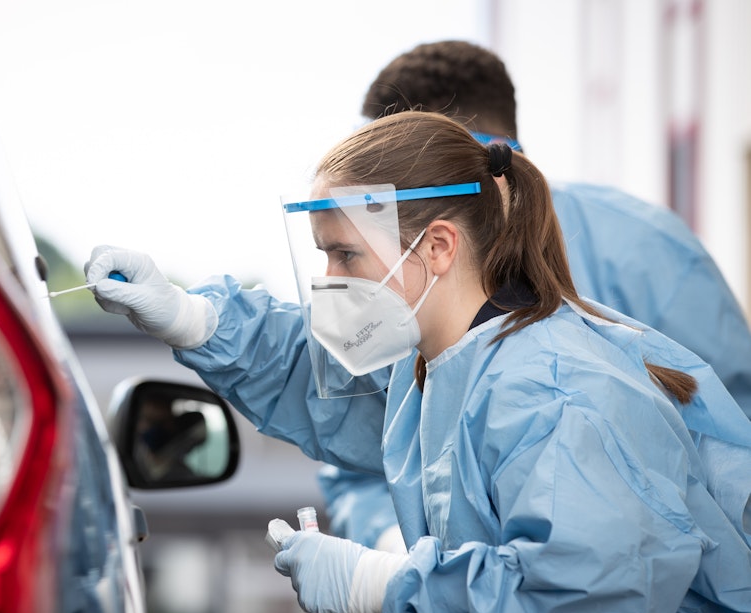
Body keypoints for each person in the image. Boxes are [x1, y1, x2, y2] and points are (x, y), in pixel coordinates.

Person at [88, 111, 751, 613]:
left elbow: (584, 605)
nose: (330, 279)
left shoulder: (555, 393)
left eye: (345, 253)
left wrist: (386, 582)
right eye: (322, 252)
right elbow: (322, 382)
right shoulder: (438, 367)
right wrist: (190, 316)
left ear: (437, 246)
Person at [316, 38, 751, 557]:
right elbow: (358, 425)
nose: (336, 278)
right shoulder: (434, 341)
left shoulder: (562, 375)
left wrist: (400, 583)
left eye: (400, 161)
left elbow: (727, 438)